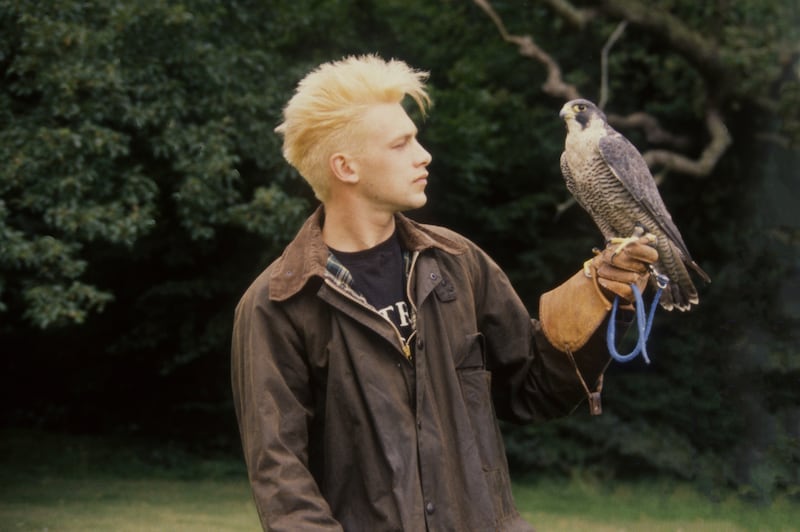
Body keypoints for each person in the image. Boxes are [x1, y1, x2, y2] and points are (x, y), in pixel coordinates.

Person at [231, 54, 658, 531]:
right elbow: (283, 484)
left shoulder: (458, 262)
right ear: (345, 167)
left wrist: (607, 305)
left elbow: (534, 390)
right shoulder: (278, 304)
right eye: (401, 143)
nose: (423, 154)